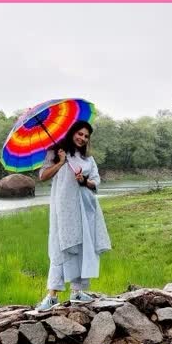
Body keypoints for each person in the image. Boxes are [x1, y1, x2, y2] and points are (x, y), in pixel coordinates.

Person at [35, 120, 111, 311]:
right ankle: (52, 295)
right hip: (64, 207)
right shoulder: (56, 152)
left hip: (86, 208)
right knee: (61, 245)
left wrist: (84, 180)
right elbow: (43, 176)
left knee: (85, 245)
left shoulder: (88, 160)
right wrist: (61, 162)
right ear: (72, 133)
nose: (83, 138)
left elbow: (96, 182)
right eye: (80, 134)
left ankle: (77, 291)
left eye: (86, 136)